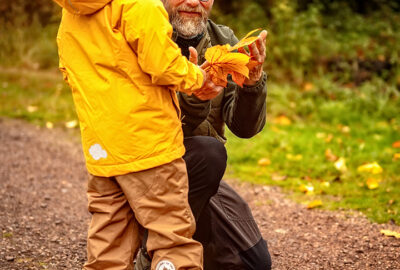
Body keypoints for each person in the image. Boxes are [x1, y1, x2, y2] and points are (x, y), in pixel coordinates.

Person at [52, 0, 220, 269]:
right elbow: (163, 64)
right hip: (149, 144)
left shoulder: (72, 10)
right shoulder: (140, 5)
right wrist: (197, 78)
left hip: (103, 146)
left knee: (109, 238)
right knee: (171, 236)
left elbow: (68, 70)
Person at [136, 0, 272, 269]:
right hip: (149, 169)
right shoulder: (143, 33)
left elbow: (244, 128)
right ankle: (151, 252)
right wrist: (194, 94)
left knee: (254, 263)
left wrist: (253, 85)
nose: (193, 2)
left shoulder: (224, 40)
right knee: (209, 153)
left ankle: (182, 247)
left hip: (200, 177)